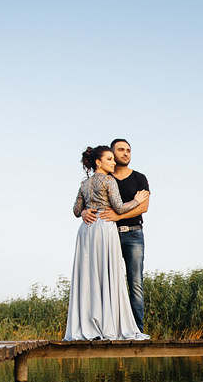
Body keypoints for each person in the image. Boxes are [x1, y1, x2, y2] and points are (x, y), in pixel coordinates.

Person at [64, 146, 149, 341]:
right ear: (98, 162)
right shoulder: (109, 180)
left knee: (90, 275)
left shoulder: (84, 183)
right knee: (109, 273)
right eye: (109, 159)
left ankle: (88, 324)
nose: (113, 162)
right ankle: (111, 324)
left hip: (86, 230)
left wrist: (86, 211)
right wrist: (137, 200)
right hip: (104, 226)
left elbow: (77, 210)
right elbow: (118, 208)